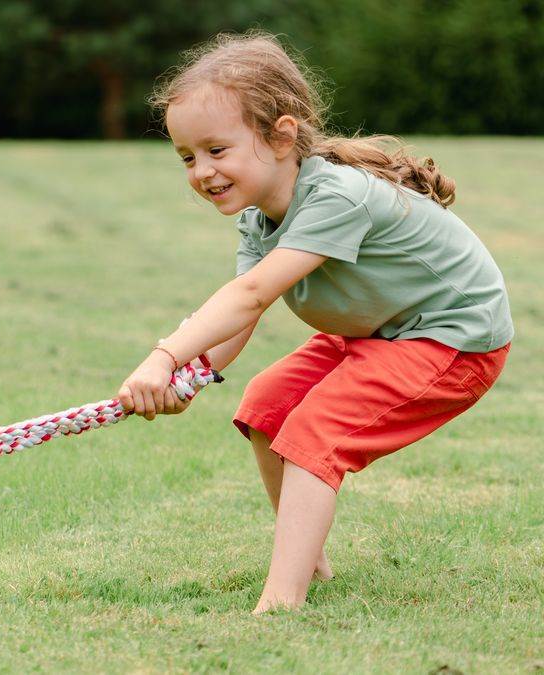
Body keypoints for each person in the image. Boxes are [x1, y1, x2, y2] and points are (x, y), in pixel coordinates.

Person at [116, 32, 513, 614]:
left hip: (450, 339)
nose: (201, 171)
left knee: (313, 434)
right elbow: (237, 319)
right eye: (187, 157)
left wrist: (164, 356)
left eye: (216, 150)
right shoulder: (260, 217)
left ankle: (281, 602)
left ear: (281, 135)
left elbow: (251, 295)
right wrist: (192, 377)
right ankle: (309, 558)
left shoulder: (336, 194)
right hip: (378, 332)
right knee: (265, 407)